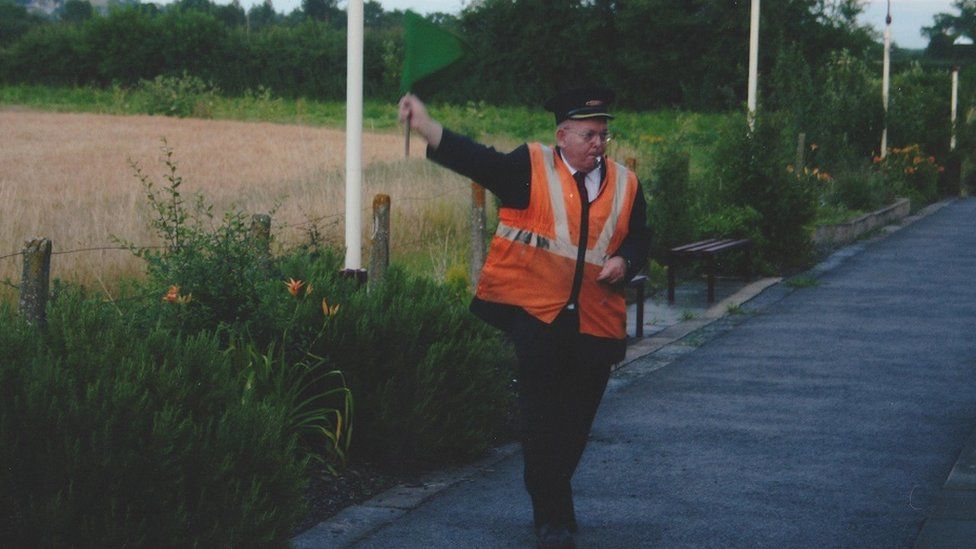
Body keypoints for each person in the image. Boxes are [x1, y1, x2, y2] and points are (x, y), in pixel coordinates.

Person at [398, 87, 650, 549]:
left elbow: (640, 240)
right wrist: (426, 125)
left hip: (596, 325)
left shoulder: (627, 184)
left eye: (604, 135)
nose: (600, 143)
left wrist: (627, 263)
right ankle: (551, 521)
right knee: (540, 424)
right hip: (538, 320)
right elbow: (478, 160)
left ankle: (555, 502)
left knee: (574, 428)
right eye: (590, 135)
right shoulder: (530, 167)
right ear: (563, 135)